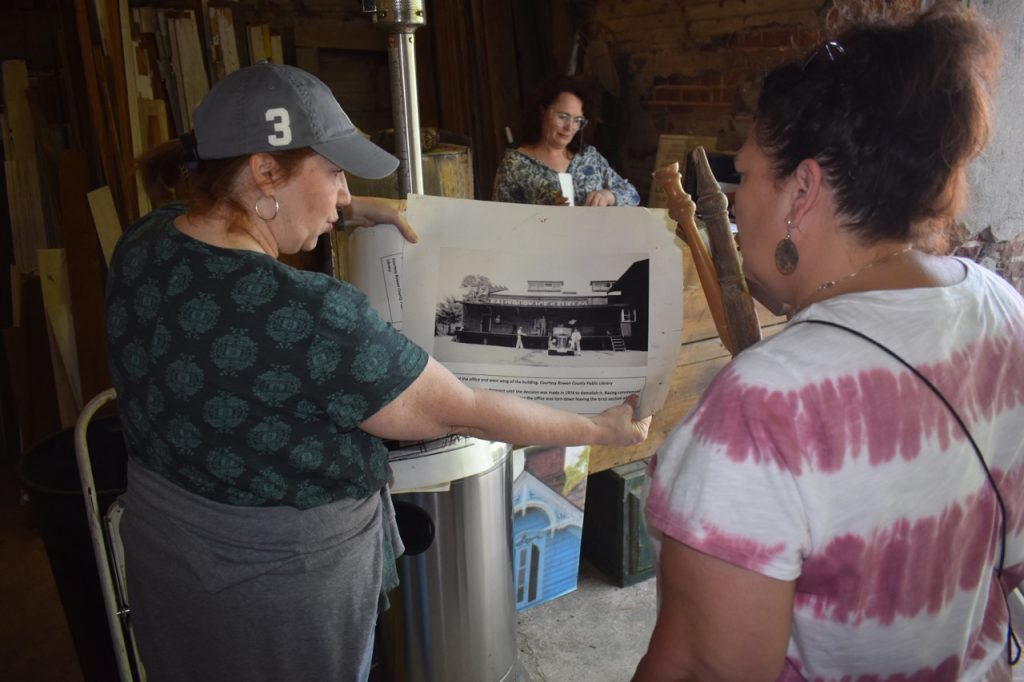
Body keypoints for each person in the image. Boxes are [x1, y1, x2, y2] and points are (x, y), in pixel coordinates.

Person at [104, 62, 651, 682]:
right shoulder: (308, 314)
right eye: (335, 172)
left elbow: (251, 214)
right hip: (281, 597)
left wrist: (366, 208)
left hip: (167, 560)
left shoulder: (145, 242)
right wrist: (598, 428)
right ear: (264, 170)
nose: (341, 196)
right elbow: (463, 407)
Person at [635, 4, 1024, 680]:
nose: (735, 202)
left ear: (802, 192)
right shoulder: (1002, 309)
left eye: (748, 176)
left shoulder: (763, 410)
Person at [492, 75, 640, 207]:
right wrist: (548, 214)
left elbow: (632, 195)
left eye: (578, 120)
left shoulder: (588, 157)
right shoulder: (515, 165)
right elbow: (503, 222)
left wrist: (608, 196)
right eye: (563, 116)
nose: (569, 127)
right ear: (542, 111)